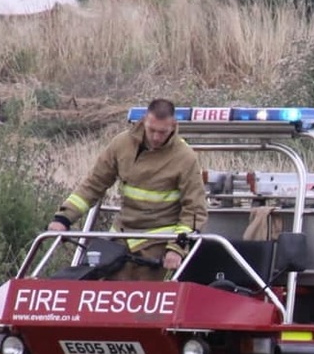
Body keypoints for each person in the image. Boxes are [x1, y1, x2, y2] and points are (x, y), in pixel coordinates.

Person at [48, 98, 208, 280]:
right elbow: (94, 184)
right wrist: (64, 218)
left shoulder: (185, 157)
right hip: (119, 242)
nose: (156, 137)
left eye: (162, 132)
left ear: (173, 125)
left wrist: (177, 249)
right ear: (144, 121)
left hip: (159, 246)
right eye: (152, 130)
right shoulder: (121, 145)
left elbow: (194, 209)